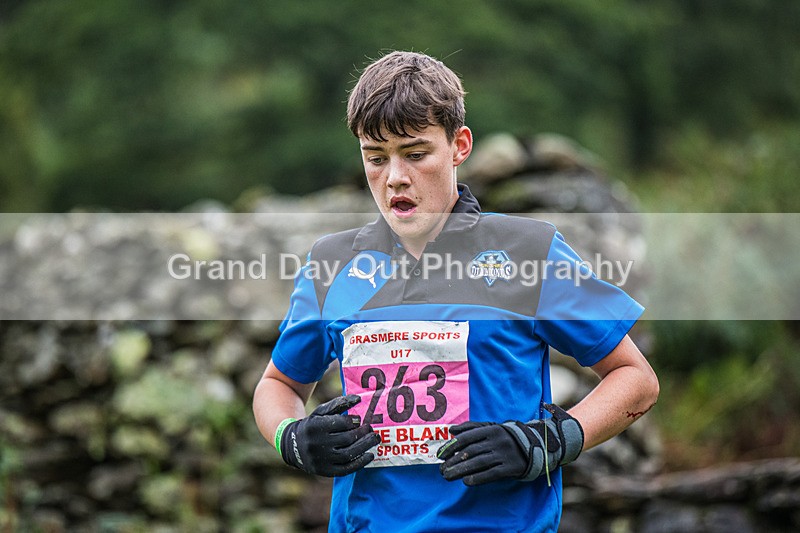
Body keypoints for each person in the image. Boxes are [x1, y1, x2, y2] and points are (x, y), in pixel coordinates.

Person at [253, 51, 659, 533]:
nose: (395, 178)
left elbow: (637, 380)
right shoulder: (331, 263)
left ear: (459, 145)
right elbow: (278, 385)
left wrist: (548, 442)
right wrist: (292, 437)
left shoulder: (529, 251)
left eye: (416, 153)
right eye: (375, 158)